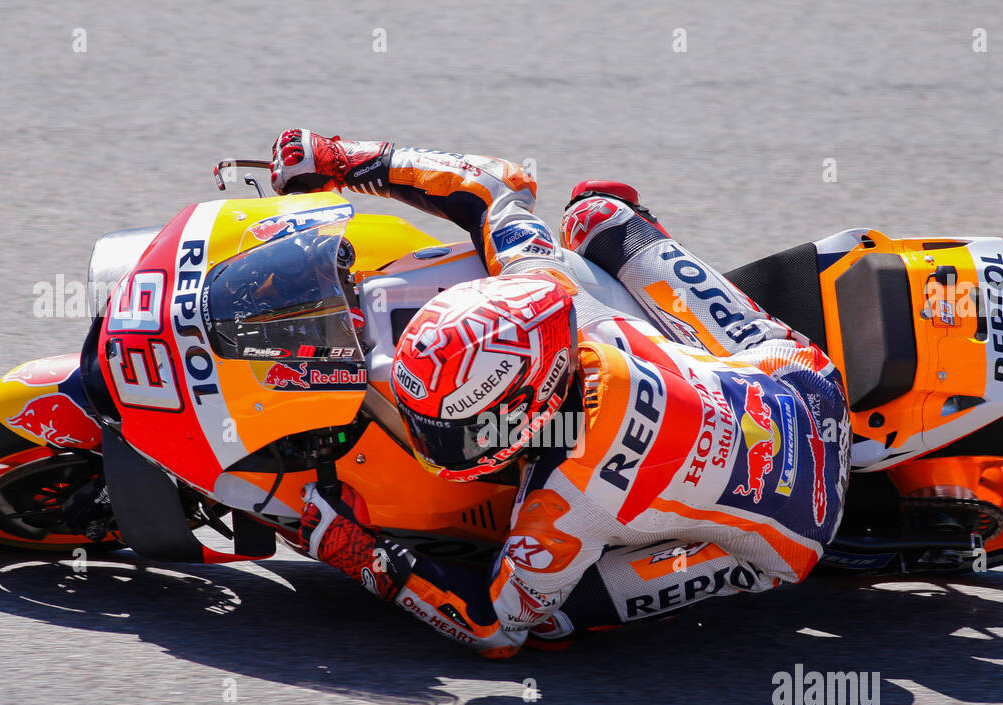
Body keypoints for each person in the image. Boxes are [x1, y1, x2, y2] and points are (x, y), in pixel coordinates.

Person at [270, 129, 851, 658]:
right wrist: (343, 162)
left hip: (799, 530)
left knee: (548, 621)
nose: (436, 444)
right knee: (596, 216)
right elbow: (495, 186)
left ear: (530, 403)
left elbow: (494, 628)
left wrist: (360, 554)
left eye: (455, 431)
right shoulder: (541, 282)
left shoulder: (563, 501)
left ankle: (745, 560)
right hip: (800, 377)